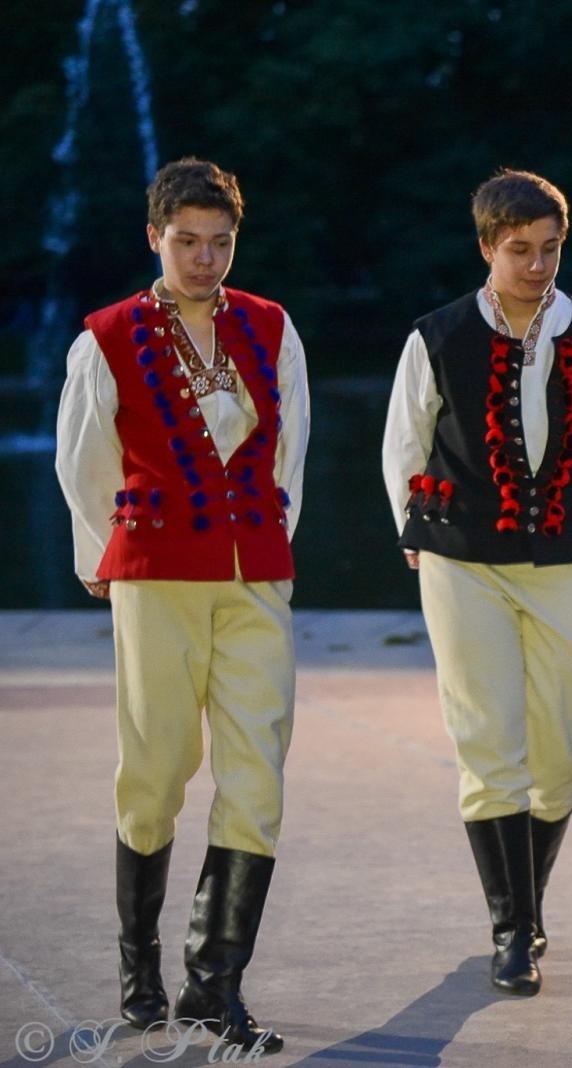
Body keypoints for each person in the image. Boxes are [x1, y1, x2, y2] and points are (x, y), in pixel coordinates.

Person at [55, 157, 309, 1054]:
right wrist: (107, 558)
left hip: (253, 578)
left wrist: (270, 550)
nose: (205, 258)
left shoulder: (271, 326)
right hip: (156, 575)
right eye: (188, 241)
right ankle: (140, 970)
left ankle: (214, 986)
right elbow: (82, 459)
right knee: (156, 770)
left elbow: (290, 452)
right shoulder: (107, 337)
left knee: (257, 775)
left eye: (220, 242)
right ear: (154, 238)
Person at [381, 169, 572, 998]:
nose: (536, 266)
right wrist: (413, 529)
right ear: (487, 246)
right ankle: (512, 929)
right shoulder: (438, 335)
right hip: (461, 556)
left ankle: (529, 903)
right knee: (487, 740)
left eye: (550, 249)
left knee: (561, 748)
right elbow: (405, 439)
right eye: (519, 250)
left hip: (569, 559)